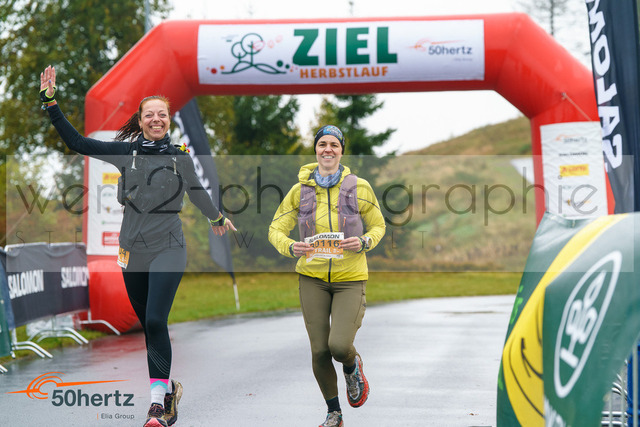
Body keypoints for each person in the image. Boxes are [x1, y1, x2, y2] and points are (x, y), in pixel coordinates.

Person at [40, 65, 236, 427]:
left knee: (157, 319)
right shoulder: (124, 153)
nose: (156, 119)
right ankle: (169, 389)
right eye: (150, 115)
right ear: (141, 120)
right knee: (149, 325)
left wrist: (216, 217)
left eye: (162, 114)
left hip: (169, 246)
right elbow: (77, 143)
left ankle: (156, 406)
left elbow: (196, 192)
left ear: (168, 120)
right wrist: (51, 103)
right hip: (132, 249)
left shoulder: (178, 156)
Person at [268, 125, 386, 427]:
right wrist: (290, 246)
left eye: (334, 144)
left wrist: (364, 241)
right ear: (316, 150)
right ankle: (334, 413)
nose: (328, 149)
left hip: (350, 278)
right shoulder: (300, 191)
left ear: (342, 150)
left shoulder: (360, 187)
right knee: (320, 350)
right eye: (322, 144)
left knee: (339, 346)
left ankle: (352, 365)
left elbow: (378, 226)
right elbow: (275, 229)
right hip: (312, 278)